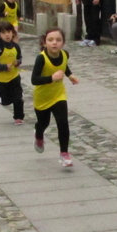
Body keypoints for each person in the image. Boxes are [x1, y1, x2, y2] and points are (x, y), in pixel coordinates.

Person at [31, 27, 79, 167]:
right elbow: (34, 79)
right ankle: (38, 134)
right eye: (50, 40)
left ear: (63, 43)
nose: (54, 43)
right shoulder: (41, 58)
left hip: (59, 95)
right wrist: (51, 78)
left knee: (63, 122)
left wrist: (70, 75)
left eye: (58, 40)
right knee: (43, 123)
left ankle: (64, 154)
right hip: (42, 97)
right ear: (45, 43)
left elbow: (64, 66)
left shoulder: (65, 54)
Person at [0, 21, 24, 125]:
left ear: (13, 33)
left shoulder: (15, 47)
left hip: (14, 77)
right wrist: (3, 67)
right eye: (4, 32)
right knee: (5, 101)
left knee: (18, 98)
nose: (7, 35)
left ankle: (18, 117)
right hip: (1, 79)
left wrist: (18, 62)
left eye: (9, 32)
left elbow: (19, 57)